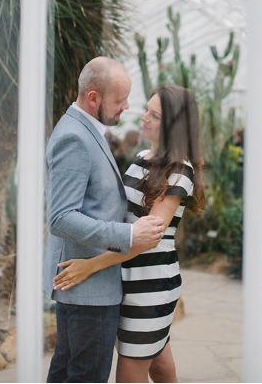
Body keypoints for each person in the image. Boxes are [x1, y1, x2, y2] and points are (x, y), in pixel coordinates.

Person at [53, 85, 206, 383]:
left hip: (150, 286)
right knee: (159, 362)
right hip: (126, 278)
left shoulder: (180, 170)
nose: (144, 117)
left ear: (174, 125)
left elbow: (145, 239)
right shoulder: (141, 157)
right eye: (147, 109)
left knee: (129, 375)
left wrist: (89, 266)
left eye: (155, 115)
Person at [43, 57, 165, 383]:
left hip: (80, 285)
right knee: (87, 376)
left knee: (67, 371)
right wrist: (127, 235)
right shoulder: (76, 138)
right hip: (88, 293)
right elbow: (61, 218)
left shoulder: (86, 129)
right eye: (120, 100)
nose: (127, 106)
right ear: (93, 98)